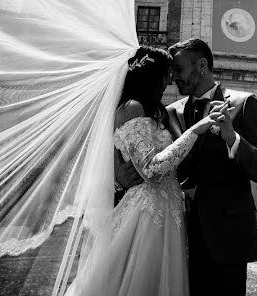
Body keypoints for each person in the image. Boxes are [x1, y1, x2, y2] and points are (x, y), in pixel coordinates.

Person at [73, 46, 220, 296]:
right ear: (153, 75)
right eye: (167, 72)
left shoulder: (152, 110)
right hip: (147, 213)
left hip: (165, 209)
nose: (171, 78)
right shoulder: (132, 108)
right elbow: (151, 169)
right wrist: (195, 130)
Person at [167, 38, 257, 296]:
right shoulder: (171, 112)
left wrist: (232, 138)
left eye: (179, 70)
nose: (174, 78)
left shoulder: (243, 103)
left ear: (201, 66)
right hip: (178, 236)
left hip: (228, 237)